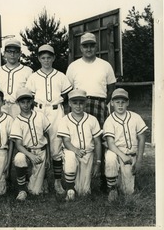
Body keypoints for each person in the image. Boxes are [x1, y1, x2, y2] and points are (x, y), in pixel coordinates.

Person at [66, 32, 116, 191]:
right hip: (79, 103)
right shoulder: (73, 66)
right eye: (85, 45)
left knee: (101, 140)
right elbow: (68, 90)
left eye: (91, 45)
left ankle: (103, 177)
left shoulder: (105, 65)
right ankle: (75, 177)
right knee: (79, 140)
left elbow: (111, 88)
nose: (88, 48)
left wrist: (103, 104)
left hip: (99, 104)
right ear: (80, 47)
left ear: (96, 46)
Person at [25, 44, 72, 195]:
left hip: (55, 111)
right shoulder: (33, 76)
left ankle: (57, 181)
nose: (46, 60)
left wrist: (56, 105)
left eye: (49, 57)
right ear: (38, 58)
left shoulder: (60, 75)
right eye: (43, 57)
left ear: (53, 58)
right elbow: (29, 96)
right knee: (39, 145)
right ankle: (43, 179)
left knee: (56, 148)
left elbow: (65, 95)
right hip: (38, 110)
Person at [103, 88, 148, 202]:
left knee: (128, 192)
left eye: (123, 102)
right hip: (117, 153)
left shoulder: (135, 117)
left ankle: (121, 182)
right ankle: (111, 189)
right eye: (117, 102)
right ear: (112, 103)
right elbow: (110, 143)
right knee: (110, 157)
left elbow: (142, 138)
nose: (120, 105)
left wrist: (139, 161)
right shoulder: (110, 120)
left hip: (131, 155)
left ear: (128, 102)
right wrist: (123, 156)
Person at [57, 89, 102, 201]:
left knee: (84, 192)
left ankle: (77, 187)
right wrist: (76, 150)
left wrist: (98, 163)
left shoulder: (92, 119)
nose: (78, 106)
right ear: (70, 104)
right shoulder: (65, 120)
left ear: (85, 103)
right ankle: (70, 190)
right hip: (72, 151)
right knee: (70, 157)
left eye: (81, 103)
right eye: (75, 103)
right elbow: (66, 141)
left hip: (87, 154)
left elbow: (97, 141)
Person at [10, 88, 52, 201]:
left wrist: (48, 157)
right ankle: (21, 190)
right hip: (27, 152)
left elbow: (46, 136)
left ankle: (41, 179)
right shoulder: (17, 121)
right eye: (22, 102)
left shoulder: (40, 116)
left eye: (28, 101)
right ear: (18, 103)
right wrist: (30, 156)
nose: (26, 105)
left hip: (41, 151)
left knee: (35, 192)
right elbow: (18, 145)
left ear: (32, 101)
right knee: (19, 158)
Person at [0, 37, 33, 118]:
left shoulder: (28, 71)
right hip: (2, 106)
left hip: (20, 106)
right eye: (9, 51)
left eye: (15, 52)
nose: (12, 54)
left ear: (20, 53)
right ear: (4, 53)